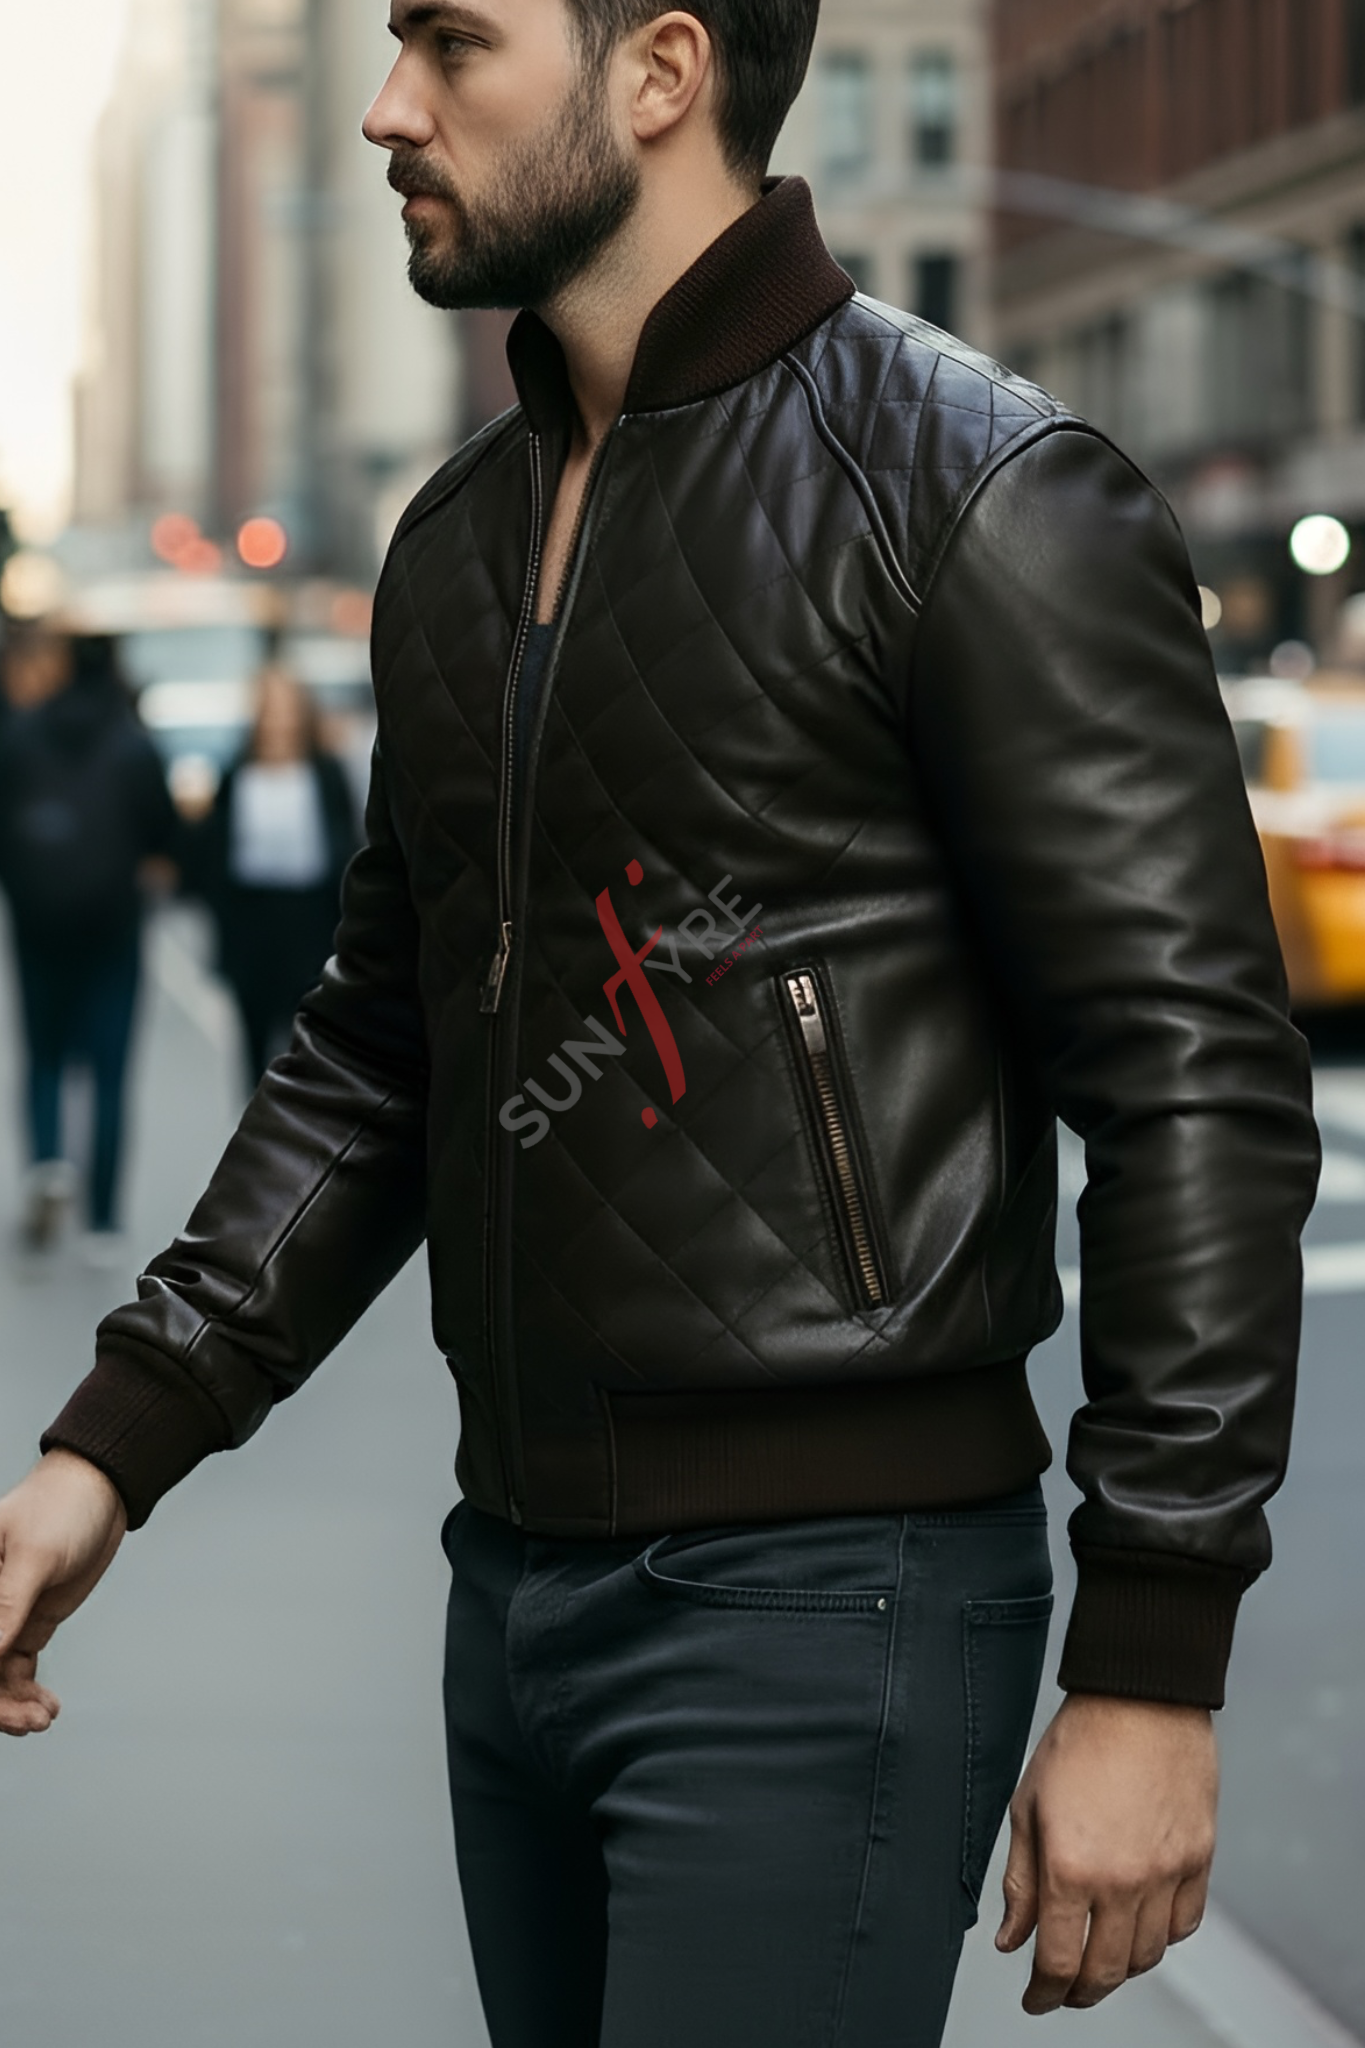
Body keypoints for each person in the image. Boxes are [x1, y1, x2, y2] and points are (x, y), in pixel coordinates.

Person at [0, 6, 1320, 2044]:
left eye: (453, 43)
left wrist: (1153, 1655)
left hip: (829, 1599)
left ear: (660, 71)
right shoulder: (458, 539)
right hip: (514, 1583)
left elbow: (1194, 1085)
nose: (388, 108)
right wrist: (110, 1445)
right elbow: (382, 1048)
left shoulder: (975, 489)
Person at [0, 627, 179, 1256]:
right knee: (109, 1070)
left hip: (38, 923)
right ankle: (102, 1218)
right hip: (113, 925)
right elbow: (164, 833)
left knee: (45, 1054)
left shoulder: (22, 735)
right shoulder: (132, 742)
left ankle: (49, 1160)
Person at [192, 664, 358, 1086]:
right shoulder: (236, 775)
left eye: (286, 710)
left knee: (309, 1044)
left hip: (311, 925)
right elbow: (214, 859)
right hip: (253, 928)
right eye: (270, 710)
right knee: (254, 1048)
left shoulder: (326, 773)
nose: (278, 722)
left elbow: (348, 849)